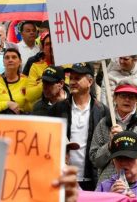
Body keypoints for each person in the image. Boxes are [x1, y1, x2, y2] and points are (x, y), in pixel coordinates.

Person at [49, 62, 110, 191]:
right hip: (64, 177)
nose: (72, 82)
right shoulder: (58, 109)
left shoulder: (102, 111)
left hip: (92, 180)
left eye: (77, 78)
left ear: (90, 81)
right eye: (70, 78)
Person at [90, 81, 137, 184]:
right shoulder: (104, 123)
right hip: (108, 183)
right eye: (123, 96)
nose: (127, 100)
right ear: (115, 98)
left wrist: (123, 137)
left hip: (135, 182)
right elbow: (94, 160)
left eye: (132, 97)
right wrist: (109, 145)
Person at [0, 48, 31, 114]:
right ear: (3, 62)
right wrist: (7, 104)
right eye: (7, 58)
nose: (10, 60)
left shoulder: (27, 81)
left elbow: (31, 106)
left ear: (20, 61)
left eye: (14, 57)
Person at [25, 31, 55, 106]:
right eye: (48, 44)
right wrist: (47, 82)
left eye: (54, 43)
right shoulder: (36, 66)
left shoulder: (69, 65)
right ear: (43, 49)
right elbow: (29, 95)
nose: (51, 46)